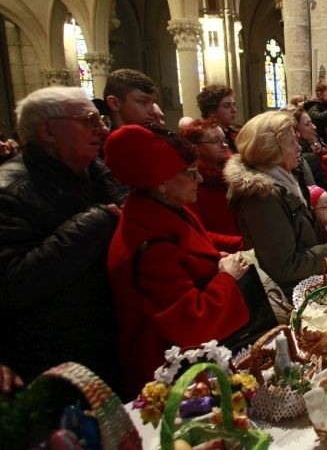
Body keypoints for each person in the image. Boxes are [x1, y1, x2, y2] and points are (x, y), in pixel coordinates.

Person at [105, 123, 249, 398]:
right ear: (161, 181)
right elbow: (191, 322)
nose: (200, 180)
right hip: (173, 376)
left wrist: (214, 260)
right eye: (191, 173)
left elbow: (193, 252)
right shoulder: (152, 243)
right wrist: (226, 277)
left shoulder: (164, 210)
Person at [0, 87, 125, 390]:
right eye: (88, 120)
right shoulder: (9, 191)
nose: (101, 128)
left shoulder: (94, 171)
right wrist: (96, 221)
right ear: (48, 131)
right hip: (57, 359)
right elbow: (13, 282)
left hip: (108, 340)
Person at [225, 111, 327, 299]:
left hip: (307, 289)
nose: (298, 148)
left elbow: (302, 235)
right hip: (290, 298)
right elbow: (285, 266)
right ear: (272, 148)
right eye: (292, 142)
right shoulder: (261, 196)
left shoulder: (286, 181)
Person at [179, 118, 241, 237]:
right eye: (215, 141)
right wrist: (243, 243)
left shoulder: (236, 174)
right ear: (195, 146)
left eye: (224, 140)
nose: (224, 145)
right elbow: (198, 232)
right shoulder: (192, 181)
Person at [196, 83, 240, 153]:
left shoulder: (237, 133)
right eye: (227, 106)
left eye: (234, 105)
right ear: (212, 112)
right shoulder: (204, 138)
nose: (234, 110)